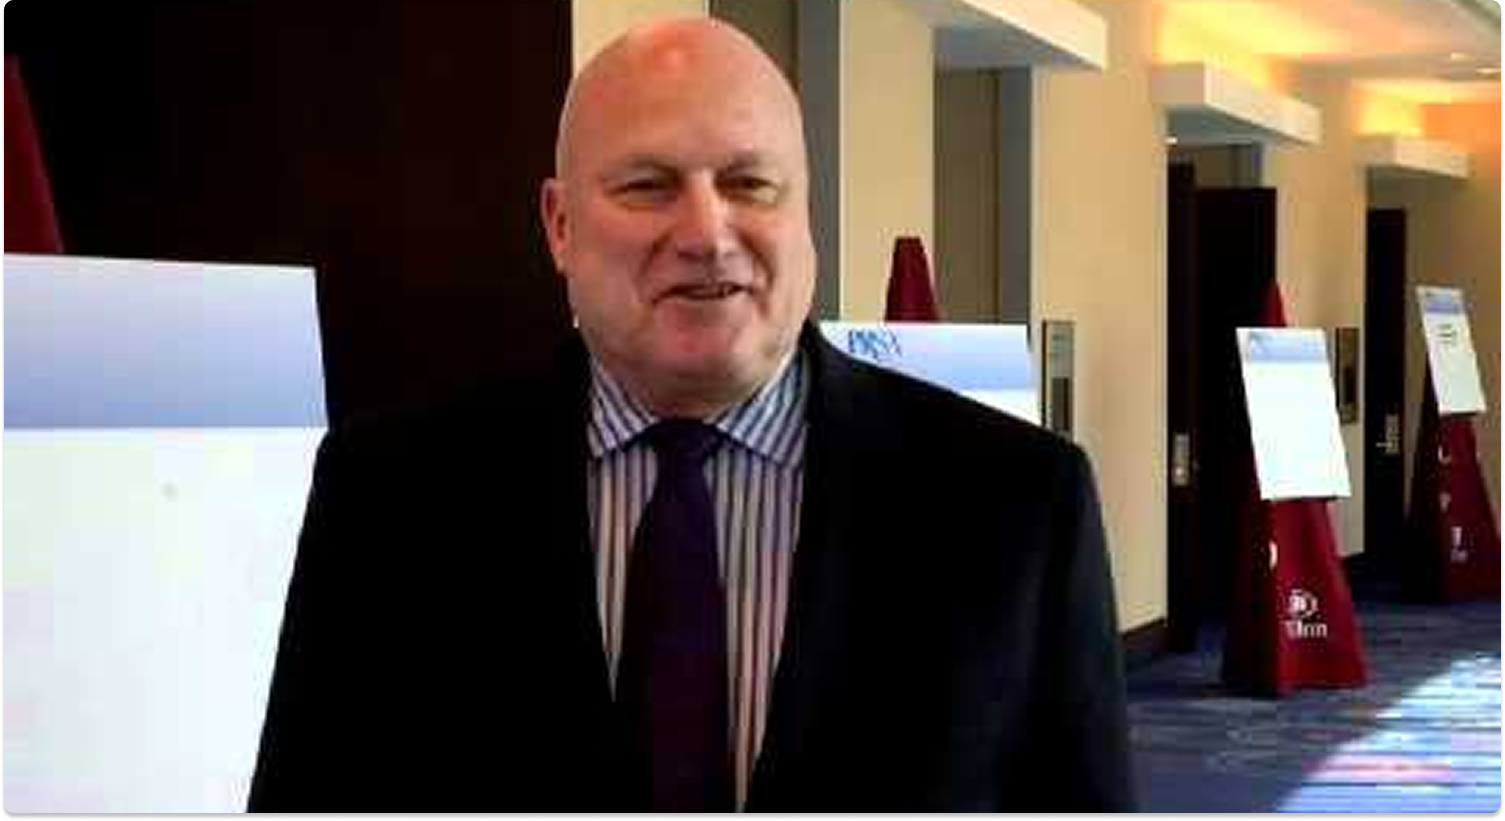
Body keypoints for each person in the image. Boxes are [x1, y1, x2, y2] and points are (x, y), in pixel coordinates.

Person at [248, 17, 1133, 816]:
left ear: (805, 216)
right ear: (558, 224)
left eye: (751, 183)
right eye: (647, 185)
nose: (708, 231)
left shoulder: (1015, 503)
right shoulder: (391, 496)